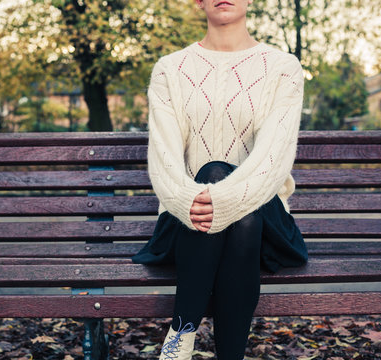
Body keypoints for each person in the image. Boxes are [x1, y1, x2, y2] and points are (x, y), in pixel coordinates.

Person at [131, 1, 309, 359]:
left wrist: (225, 199)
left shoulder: (282, 68)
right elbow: (164, 159)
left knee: (236, 201)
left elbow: (272, 159)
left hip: (266, 227)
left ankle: (179, 338)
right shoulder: (170, 70)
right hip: (187, 217)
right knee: (217, 180)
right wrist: (187, 201)